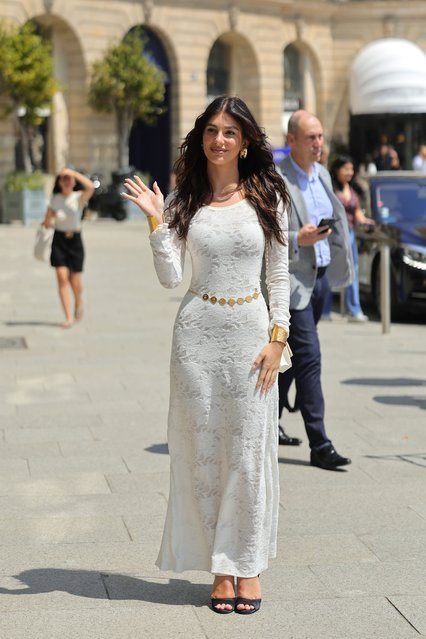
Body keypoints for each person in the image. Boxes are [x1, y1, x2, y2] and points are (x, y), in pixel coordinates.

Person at [121, 96, 290, 615]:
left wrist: (277, 339)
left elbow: (279, 274)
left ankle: (249, 565)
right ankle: (221, 568)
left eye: (231, 132)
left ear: (245, 143)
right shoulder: (183, 200)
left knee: (247, 456)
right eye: (212, 130)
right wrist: (155, 222)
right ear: (201, 138)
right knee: (204, 459)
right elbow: (172, 276)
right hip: (195, 340)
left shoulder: (268, 195)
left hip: (251, 340)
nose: (220, 140)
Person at [277, 110, 354, 470]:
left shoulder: (322, 174)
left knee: (292, 355)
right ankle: (319, 444)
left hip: (321, 278)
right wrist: (298, 238)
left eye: (320, 136)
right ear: (292, 140)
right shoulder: (278, 179)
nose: (318, 144)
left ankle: (270, 418)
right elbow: (268, 232)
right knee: (309, 358)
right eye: (311, 137)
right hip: (293, 280)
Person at [42, 168, 95, 328]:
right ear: (59, 182)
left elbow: (90, 187)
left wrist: (73, 172)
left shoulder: (78, 197)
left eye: (69, 178)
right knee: (62, 278)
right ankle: (68, 316)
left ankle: (78, 301)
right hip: (59, 240)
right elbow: (46, 223)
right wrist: (49, 219)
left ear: (73, 182)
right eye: (63, 178)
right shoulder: (54, 199)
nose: (66, 180)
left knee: (75, 281)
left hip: (75, 242)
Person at [330, 155, 375, 322]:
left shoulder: (354, 189)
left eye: (351, 169)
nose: (350, 172)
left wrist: (366, 222)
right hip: (333, 233)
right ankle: (325, 309)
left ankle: (354, 308)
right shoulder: (331, 187)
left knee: (353, 270)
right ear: (337, 170)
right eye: (346, 169)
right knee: (329, 270)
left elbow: (357, 214)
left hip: (349, 233)